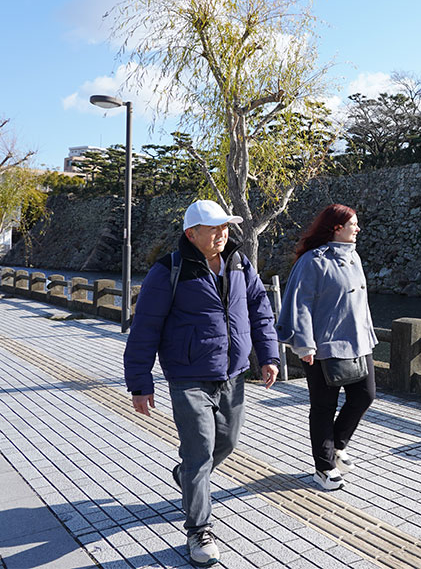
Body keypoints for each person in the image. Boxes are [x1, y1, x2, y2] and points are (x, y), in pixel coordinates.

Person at [124, 199, 279, 567]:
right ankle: (199, 529)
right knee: (198, 451)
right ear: (191, 234)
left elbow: (259, 309)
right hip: (188, 376)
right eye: (214, 229)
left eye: (225, 227)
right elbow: (145, 328)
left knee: (226, 442)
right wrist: (140, 382)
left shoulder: (240, 264)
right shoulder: (169, 270)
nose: (222, 234)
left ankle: (186, 477)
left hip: (233, 373)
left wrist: (269, 355)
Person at [276, 203, 377, 491]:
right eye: (352, 224)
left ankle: (337, 446)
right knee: (323, 407)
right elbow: (300, 303)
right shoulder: (312, 261)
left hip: (358, 343)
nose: (357, 228)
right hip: (323, 347)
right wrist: (304, 344)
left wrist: (368, 336)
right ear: (336, 228)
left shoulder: (353, 256)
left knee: (365, 395)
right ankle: (324, 467)